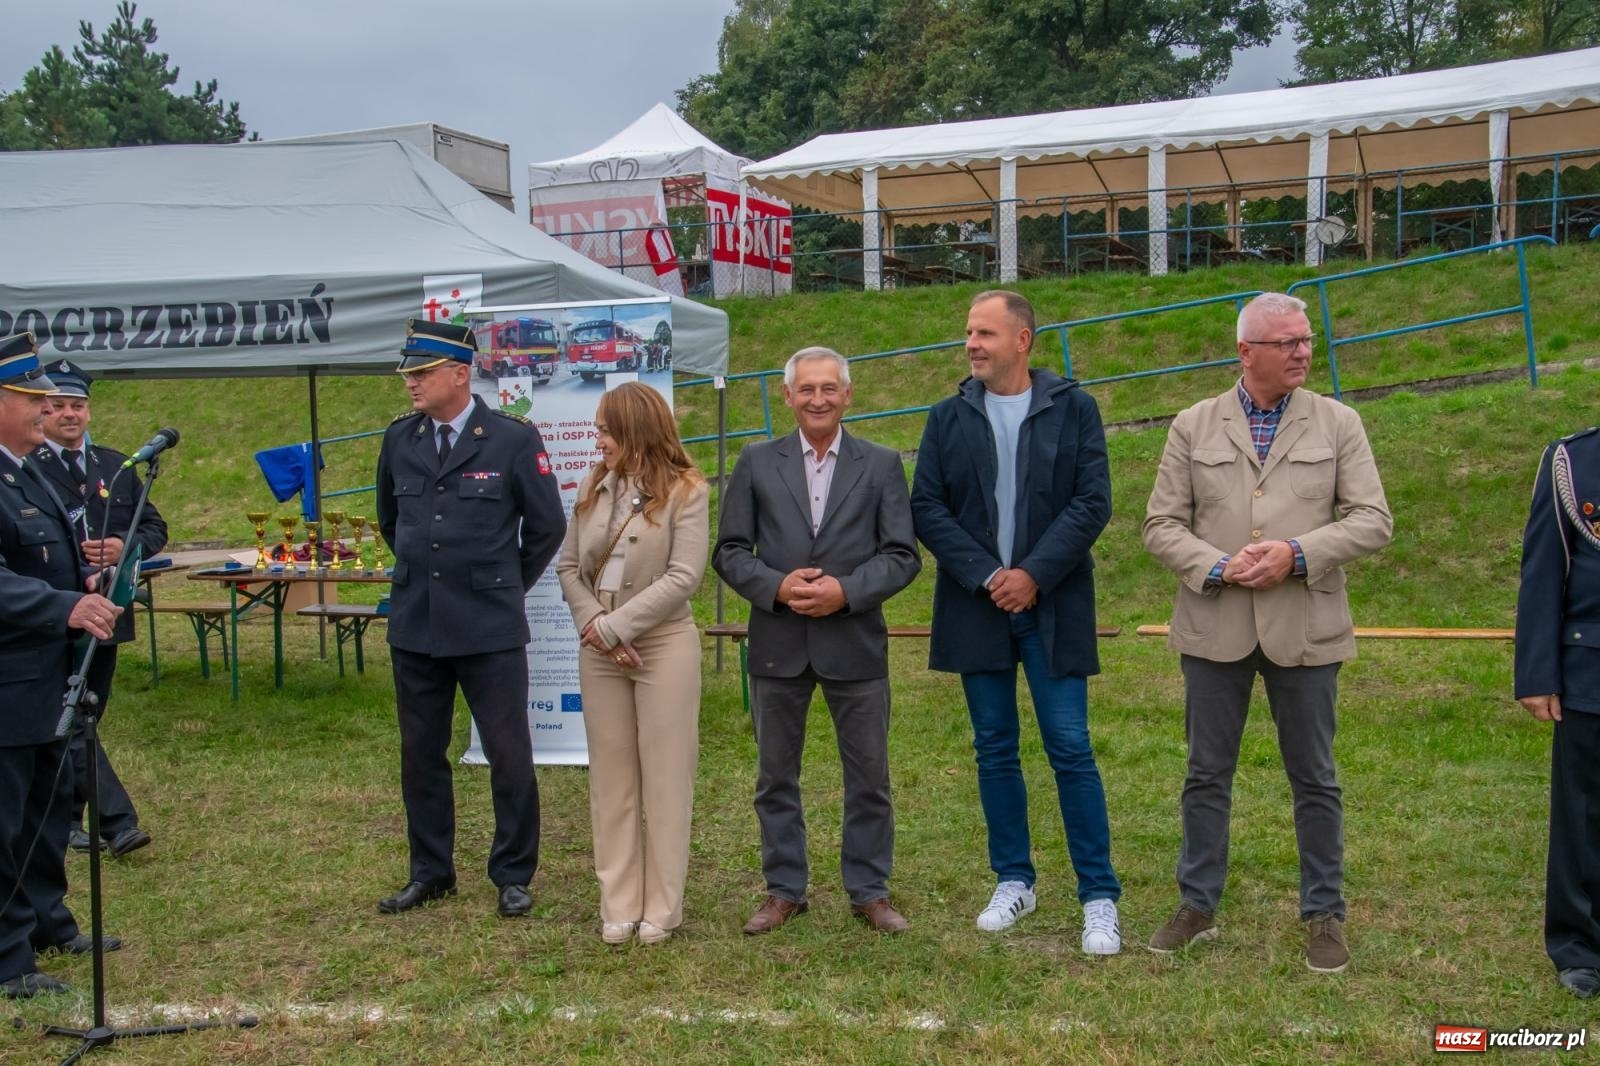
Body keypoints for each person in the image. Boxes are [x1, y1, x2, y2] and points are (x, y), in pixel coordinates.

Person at [1142, 292, 1392, 973]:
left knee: (1315, 776)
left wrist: (1296, 554)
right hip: (1213, 624)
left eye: (1306, 340)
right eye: (1287, 343)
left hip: (1306, 626)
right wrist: (1218, 566)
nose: (1303, 352)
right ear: (1245, 352)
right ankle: (1196, 905)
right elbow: (1161, 525)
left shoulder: (1339, 423)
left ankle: (1324, 912)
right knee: (1205, 773)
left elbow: (1373, 519)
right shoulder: (1193, 424)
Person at [910, 290, 1122, 954]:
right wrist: (988, 575)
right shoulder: (947, 417)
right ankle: (1014, 880)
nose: (971, 344)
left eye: (985, 333)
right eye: (969, 332)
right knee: (994, 747)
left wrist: (1032, 574)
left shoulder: (1074, 408)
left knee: (1070, 747)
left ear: (1023, 340)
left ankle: (1098, 896)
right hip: (977, 607)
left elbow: (1092, 502)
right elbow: (927, 507)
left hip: (1053, 605)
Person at [713, 346, 921, 935]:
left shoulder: (880, 463)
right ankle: (784, 890)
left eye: (829, 388)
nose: (818, 399)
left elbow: (902, 555)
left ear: (847, 395)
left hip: (854, 642)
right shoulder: (757, 462)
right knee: (775, 777)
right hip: (778, 643)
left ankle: (869, 891)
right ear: (787, 396)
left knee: (870, 777)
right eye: (806, 389)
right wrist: (776, 586)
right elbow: (729, 551)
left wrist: (845, 592)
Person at [374, 318, 565, 919]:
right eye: (409, 374)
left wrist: (501, 584)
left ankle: (512, 873)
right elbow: (390, 522)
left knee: (508, 752)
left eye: (422, 373)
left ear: (460, 374)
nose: (411, 383)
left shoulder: (510, 438)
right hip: (417, 622)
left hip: (488, 625)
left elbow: (547, 526)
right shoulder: (399, 439)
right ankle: (430, 871)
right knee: (421, 753)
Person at [556, 383, 708, 946]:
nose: (598, 440)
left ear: (635, 430)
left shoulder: (688, 491)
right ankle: (618, 904)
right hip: (600, 649)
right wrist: (598, 626)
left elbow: (684, 577)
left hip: (663, 646)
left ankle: (662, 909)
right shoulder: (592, 485)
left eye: (605, 430)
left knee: (667, 780)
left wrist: (616, 627)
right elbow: (568, 566)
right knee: (611, 779)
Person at [0, 333, 126, 998]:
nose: (47, 409)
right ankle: (7, 956)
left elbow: (47, 556)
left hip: (48, 676)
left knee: (46, 812)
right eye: (32, 399)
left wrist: (88, 581)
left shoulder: (24, 470)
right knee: (6, 820)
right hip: (9, 680)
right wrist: (65, 605)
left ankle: (48, 921)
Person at [35, 360, 167, 859]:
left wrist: (124, 546)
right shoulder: (27, 466)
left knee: (88, 714)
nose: (70, 414)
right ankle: (117, 821)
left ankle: (66, 818)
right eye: (59, 406)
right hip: (54, 609)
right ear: (43, 411)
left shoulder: (116, 466)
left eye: (78, 406)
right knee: (68, 716)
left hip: (107, 611)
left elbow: (154, 528)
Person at [1513, 427, 1600, 999]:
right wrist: (1538, 673)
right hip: (1591, 666)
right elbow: (1544, 569)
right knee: (1583, 816)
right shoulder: (1572, 460)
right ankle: (1580, 947)